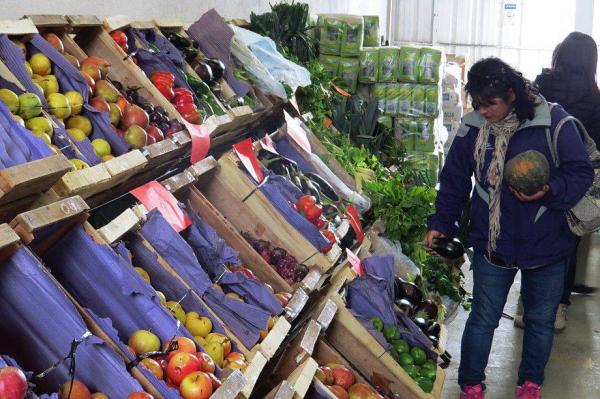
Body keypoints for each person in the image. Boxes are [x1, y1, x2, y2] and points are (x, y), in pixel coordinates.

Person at [424, 57, 594, 399]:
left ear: (512, 96)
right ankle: (471, 384)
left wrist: (549, 190)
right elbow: (454, 181)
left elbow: (580, 172)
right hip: (493, 241)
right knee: (483, 319)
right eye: (477, 103)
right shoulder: (472, 129)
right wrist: (441, 224)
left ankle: (530, 384)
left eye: (491, 104)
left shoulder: (553, 122)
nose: (483, 111)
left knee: (540, 321)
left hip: (547, 242)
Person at [533, 31, 600, 330]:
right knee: (569, 240)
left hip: (536, 170)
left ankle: (529, 303)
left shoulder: (541, 85)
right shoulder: (595, 97)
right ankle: (558, 308)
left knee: (531, 232)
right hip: (575, 177)